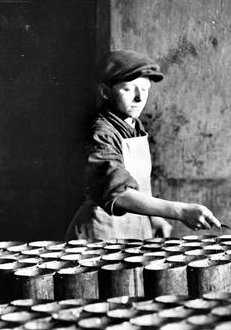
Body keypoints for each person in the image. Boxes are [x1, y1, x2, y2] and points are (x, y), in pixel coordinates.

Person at [67, 50, 221, 240]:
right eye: (129, 89)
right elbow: (118, 193)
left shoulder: (134, 125)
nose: (139, 98)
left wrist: (154, 218)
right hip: (101, 233)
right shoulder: (101, 132)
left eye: (145, 89)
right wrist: (180, 211)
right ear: (104, 91)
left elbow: (139, 183)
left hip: (135, 228)